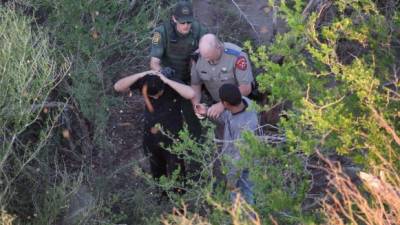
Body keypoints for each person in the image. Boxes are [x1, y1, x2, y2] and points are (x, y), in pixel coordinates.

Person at [114, 70, 195, 179]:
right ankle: (162, 192)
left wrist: (167, 80)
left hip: (173, 134)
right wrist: (141, 74)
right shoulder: (145, 81)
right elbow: (118, 87)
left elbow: (191, 93)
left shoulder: (170, 81)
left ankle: (179, 192)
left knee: (177, 168)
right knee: (156, 167)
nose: (156, 97)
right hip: (151, 135)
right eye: (152, 96)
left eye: (158, 94)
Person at [150, 0, 208, 139]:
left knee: (193, 114)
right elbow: (154, 63)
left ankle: (197, 142)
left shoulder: (199, 30)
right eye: (182, 22)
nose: (186, 25)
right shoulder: (162, 32)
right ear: (174, 19)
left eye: (189, 22)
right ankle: (166, 140)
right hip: (170, 78)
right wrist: (162, 72)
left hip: (191, 78)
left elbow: (208, 54)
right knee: (165, 115)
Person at [196, 83, 258, 204]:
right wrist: (207, 111)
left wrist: (231, 180)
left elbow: (240, 158)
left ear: (225, 104)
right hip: (237, 159)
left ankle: (247, 218)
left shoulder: (244, 127)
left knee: (244, 193)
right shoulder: (245, 101)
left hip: (244, 164)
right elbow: (227, 117)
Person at [191, 33, 254, 119]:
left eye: (209, 57)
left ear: (218, 47)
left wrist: (222, 105)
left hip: (238, 105)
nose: (206, 60)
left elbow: (246, 88)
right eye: (204, 57)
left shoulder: (236, 56)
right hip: (214, 104)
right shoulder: (197, 57)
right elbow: (195, 84)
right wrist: (197, 105)